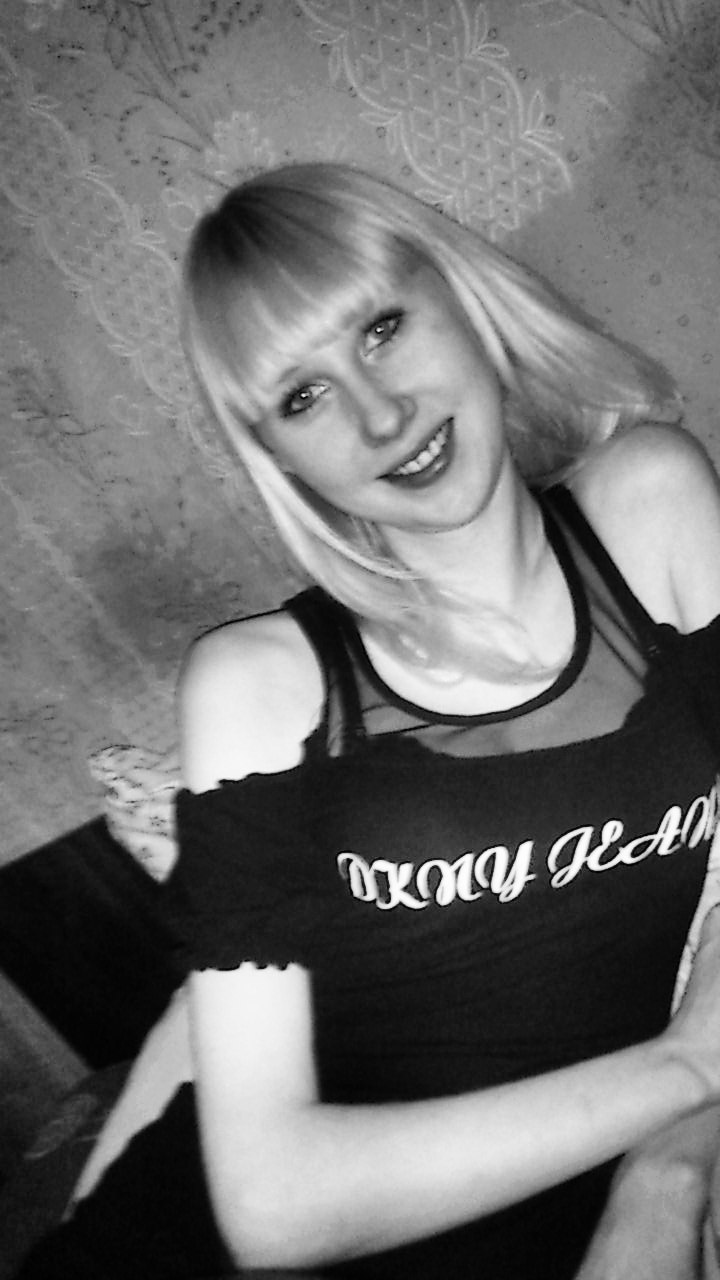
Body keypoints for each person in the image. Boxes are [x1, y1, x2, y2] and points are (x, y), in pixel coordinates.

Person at [18, 161, 720, 1280]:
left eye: (383, 329)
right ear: (278, 457)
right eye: (303, 397)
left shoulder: (654, 506)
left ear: (464, 295)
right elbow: (273, 1208)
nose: (381, 415)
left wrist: (667, 1170)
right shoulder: (259, 683)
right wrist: (685, 1075)